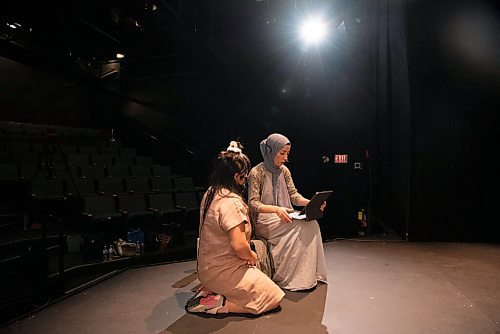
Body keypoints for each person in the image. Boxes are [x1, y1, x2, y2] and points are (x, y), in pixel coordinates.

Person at [187, 141, 285, 315]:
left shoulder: (211, 192)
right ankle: (218, 304)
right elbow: (239, 246)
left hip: (206, 269)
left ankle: (212, 290)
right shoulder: (231, 202)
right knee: (273, 297)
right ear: (236, 176)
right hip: (222, 271)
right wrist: (252, 256)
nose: (246, 177)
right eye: (244, 174)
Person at [248, 133, 328, 291]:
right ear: (271, 151)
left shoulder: (284, 171)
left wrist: (310, 202)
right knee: (300, 226)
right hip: (264, 220)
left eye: (287, 153)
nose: (286, 158)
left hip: (283, 216)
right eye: (282, 153)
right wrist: (276, 210)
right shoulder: (257, 172)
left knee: (312, 224)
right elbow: (253, 203)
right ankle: (290, 276)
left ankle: (307, 275)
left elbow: (294, 195)